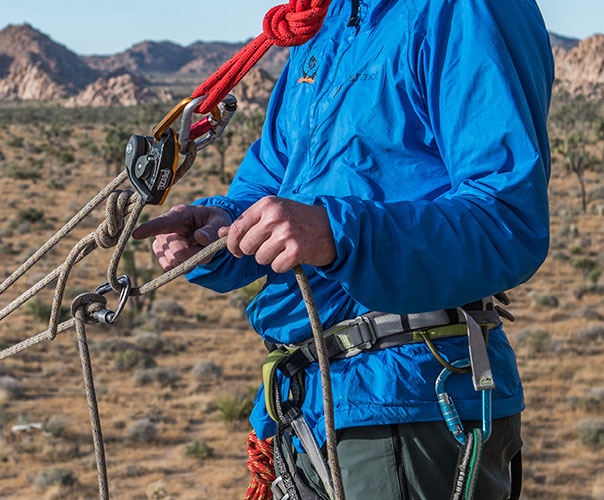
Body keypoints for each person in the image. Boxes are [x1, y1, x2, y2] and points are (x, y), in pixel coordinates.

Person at [133, 0, 552, 498]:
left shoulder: (462, 10)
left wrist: (335, 232)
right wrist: (218, 230)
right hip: (308, 405)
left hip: (409, 399)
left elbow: (507, 218)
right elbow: (271, 184)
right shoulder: (324, 27)